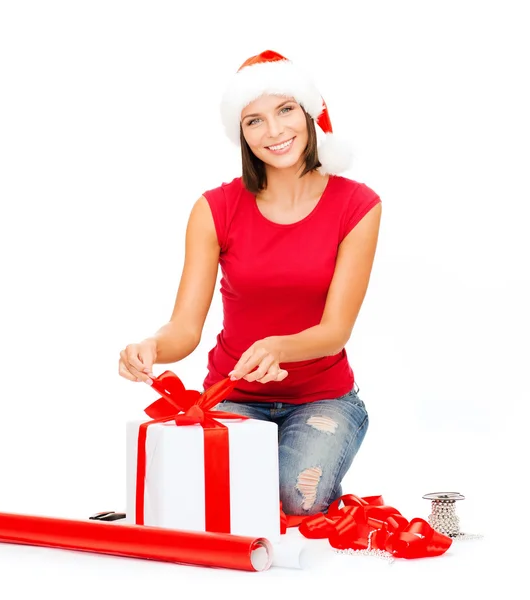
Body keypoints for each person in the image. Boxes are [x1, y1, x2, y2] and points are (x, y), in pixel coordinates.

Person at [119, 50, 382, 516]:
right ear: (240, 134)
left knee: (294, 500)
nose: (275, 131)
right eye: (254, 121)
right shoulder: (214, 209)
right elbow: (184, 328)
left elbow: (335, 330)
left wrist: (278, 347)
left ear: (309, 112)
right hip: (234, 395)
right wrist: (151, 347)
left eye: (285, 111)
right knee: (230, 497)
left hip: (322, 398)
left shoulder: (357, 205)